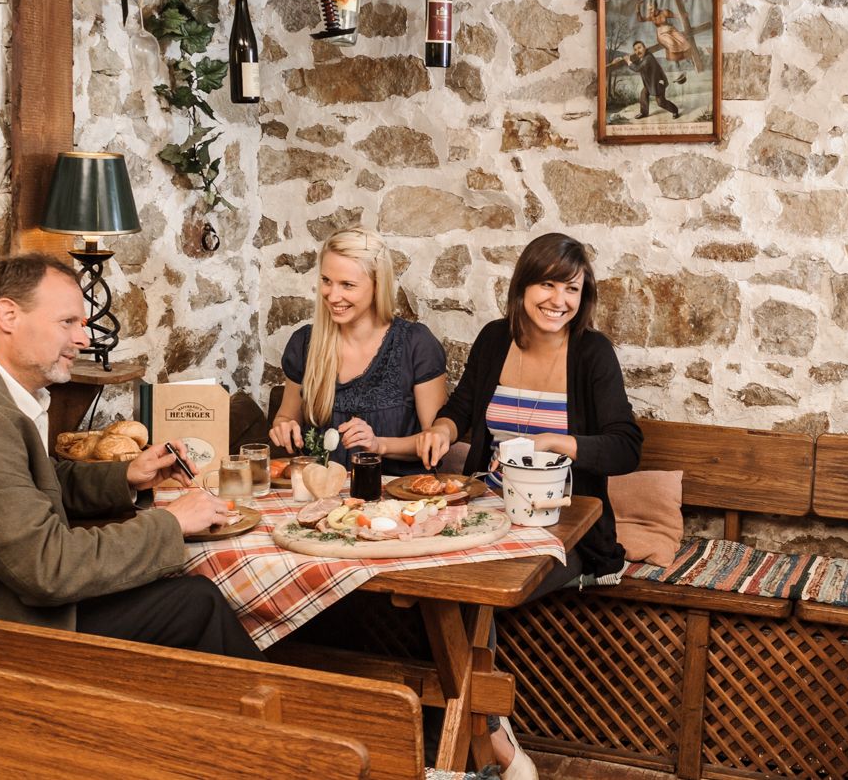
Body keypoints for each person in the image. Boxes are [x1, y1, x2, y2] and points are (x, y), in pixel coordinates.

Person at [0, 254, 260, 659]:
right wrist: (172, 522)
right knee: (195, 604)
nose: (83, 339)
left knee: (187, 596)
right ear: (8, 316)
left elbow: (33, 483)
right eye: (68, 322)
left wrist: (127, 476)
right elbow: (50, 568)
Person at [415, 232, 643, 779]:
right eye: (547, 284)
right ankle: (490, 738)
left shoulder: (592, 353)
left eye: (571, 288)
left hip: (566, 529)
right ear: (522, 287)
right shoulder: (496, 339)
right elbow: (462, 406)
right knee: (438, 582)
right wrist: (442, 429)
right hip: (487, 513)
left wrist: (560, 442)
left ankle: (489, 747)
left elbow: (627, 446)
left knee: (472, 591)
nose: (558, 300)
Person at [269, 226, 447, 477]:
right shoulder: (304, 343)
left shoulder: (415, 344)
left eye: (347, 285)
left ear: (377, 286)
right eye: (326, 281)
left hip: (395, 494)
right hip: (321, 492)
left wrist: (379, 445)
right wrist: (283, 426)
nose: (333, 296)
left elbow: (434, 442)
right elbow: (285, 416)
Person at [606, 40, 680, 120]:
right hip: (649, 83)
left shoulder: (648, 58)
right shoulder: (642, 58)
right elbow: (634, 62)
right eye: (635, 50)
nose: (638, 51)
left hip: (657, 83)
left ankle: (675, 111)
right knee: (643, 94)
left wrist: (628, 61)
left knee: (661, 102)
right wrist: (620, 59)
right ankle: (644, 112)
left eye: (639, 48)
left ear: (645, 48)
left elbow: (638, 68)